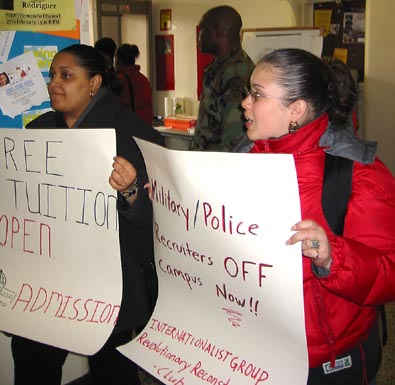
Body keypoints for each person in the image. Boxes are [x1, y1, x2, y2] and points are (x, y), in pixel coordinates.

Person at [10, 43, 164, 385]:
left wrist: (130, 190)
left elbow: (156, 219)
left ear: (94, 83)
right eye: (52, 75)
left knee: (112, 369)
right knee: (33, 360)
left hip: (110, 284)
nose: (54, 84)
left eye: (66, 75)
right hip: (48, 280)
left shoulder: (133, 136)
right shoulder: (38, 133)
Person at [240, 48, 395, 385]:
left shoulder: (357, 174)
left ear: (295, 110)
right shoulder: (242, 162)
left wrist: (332, 256)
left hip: (327, 361)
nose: (244, 103)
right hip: (257, 349)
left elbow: (389, 271)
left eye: (257, 95)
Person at [190, 5, 254, 152]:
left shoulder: (237, 75)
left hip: (219, 167)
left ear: (218, 32)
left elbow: (234, 140)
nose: (199, 36)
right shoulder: (219, 68)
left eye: (202, 30)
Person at [115, 43, 153, 124]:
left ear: (118, 60)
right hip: (145, 126)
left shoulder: (121, 79)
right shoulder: (144, 79)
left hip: (130, 126)